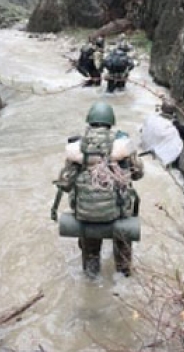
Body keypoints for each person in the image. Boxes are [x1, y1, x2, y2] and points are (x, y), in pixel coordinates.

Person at [54, 102, 144, 277]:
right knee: (123, 249)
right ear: (111, 122)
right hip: (117, 214)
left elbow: (65, 182)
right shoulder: (123, 144)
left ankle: (91, 277)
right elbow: (138, 174)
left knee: (91, 258)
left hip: (86, 215)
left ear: (90, 121)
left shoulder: (78, 148)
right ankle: (123, 274)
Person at [140, 99, 184, 166]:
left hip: (147, 145)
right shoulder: (172, 124)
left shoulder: (151, 117)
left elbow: (142, 130)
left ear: (162, 108)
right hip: (160, 152)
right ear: (173, 111)